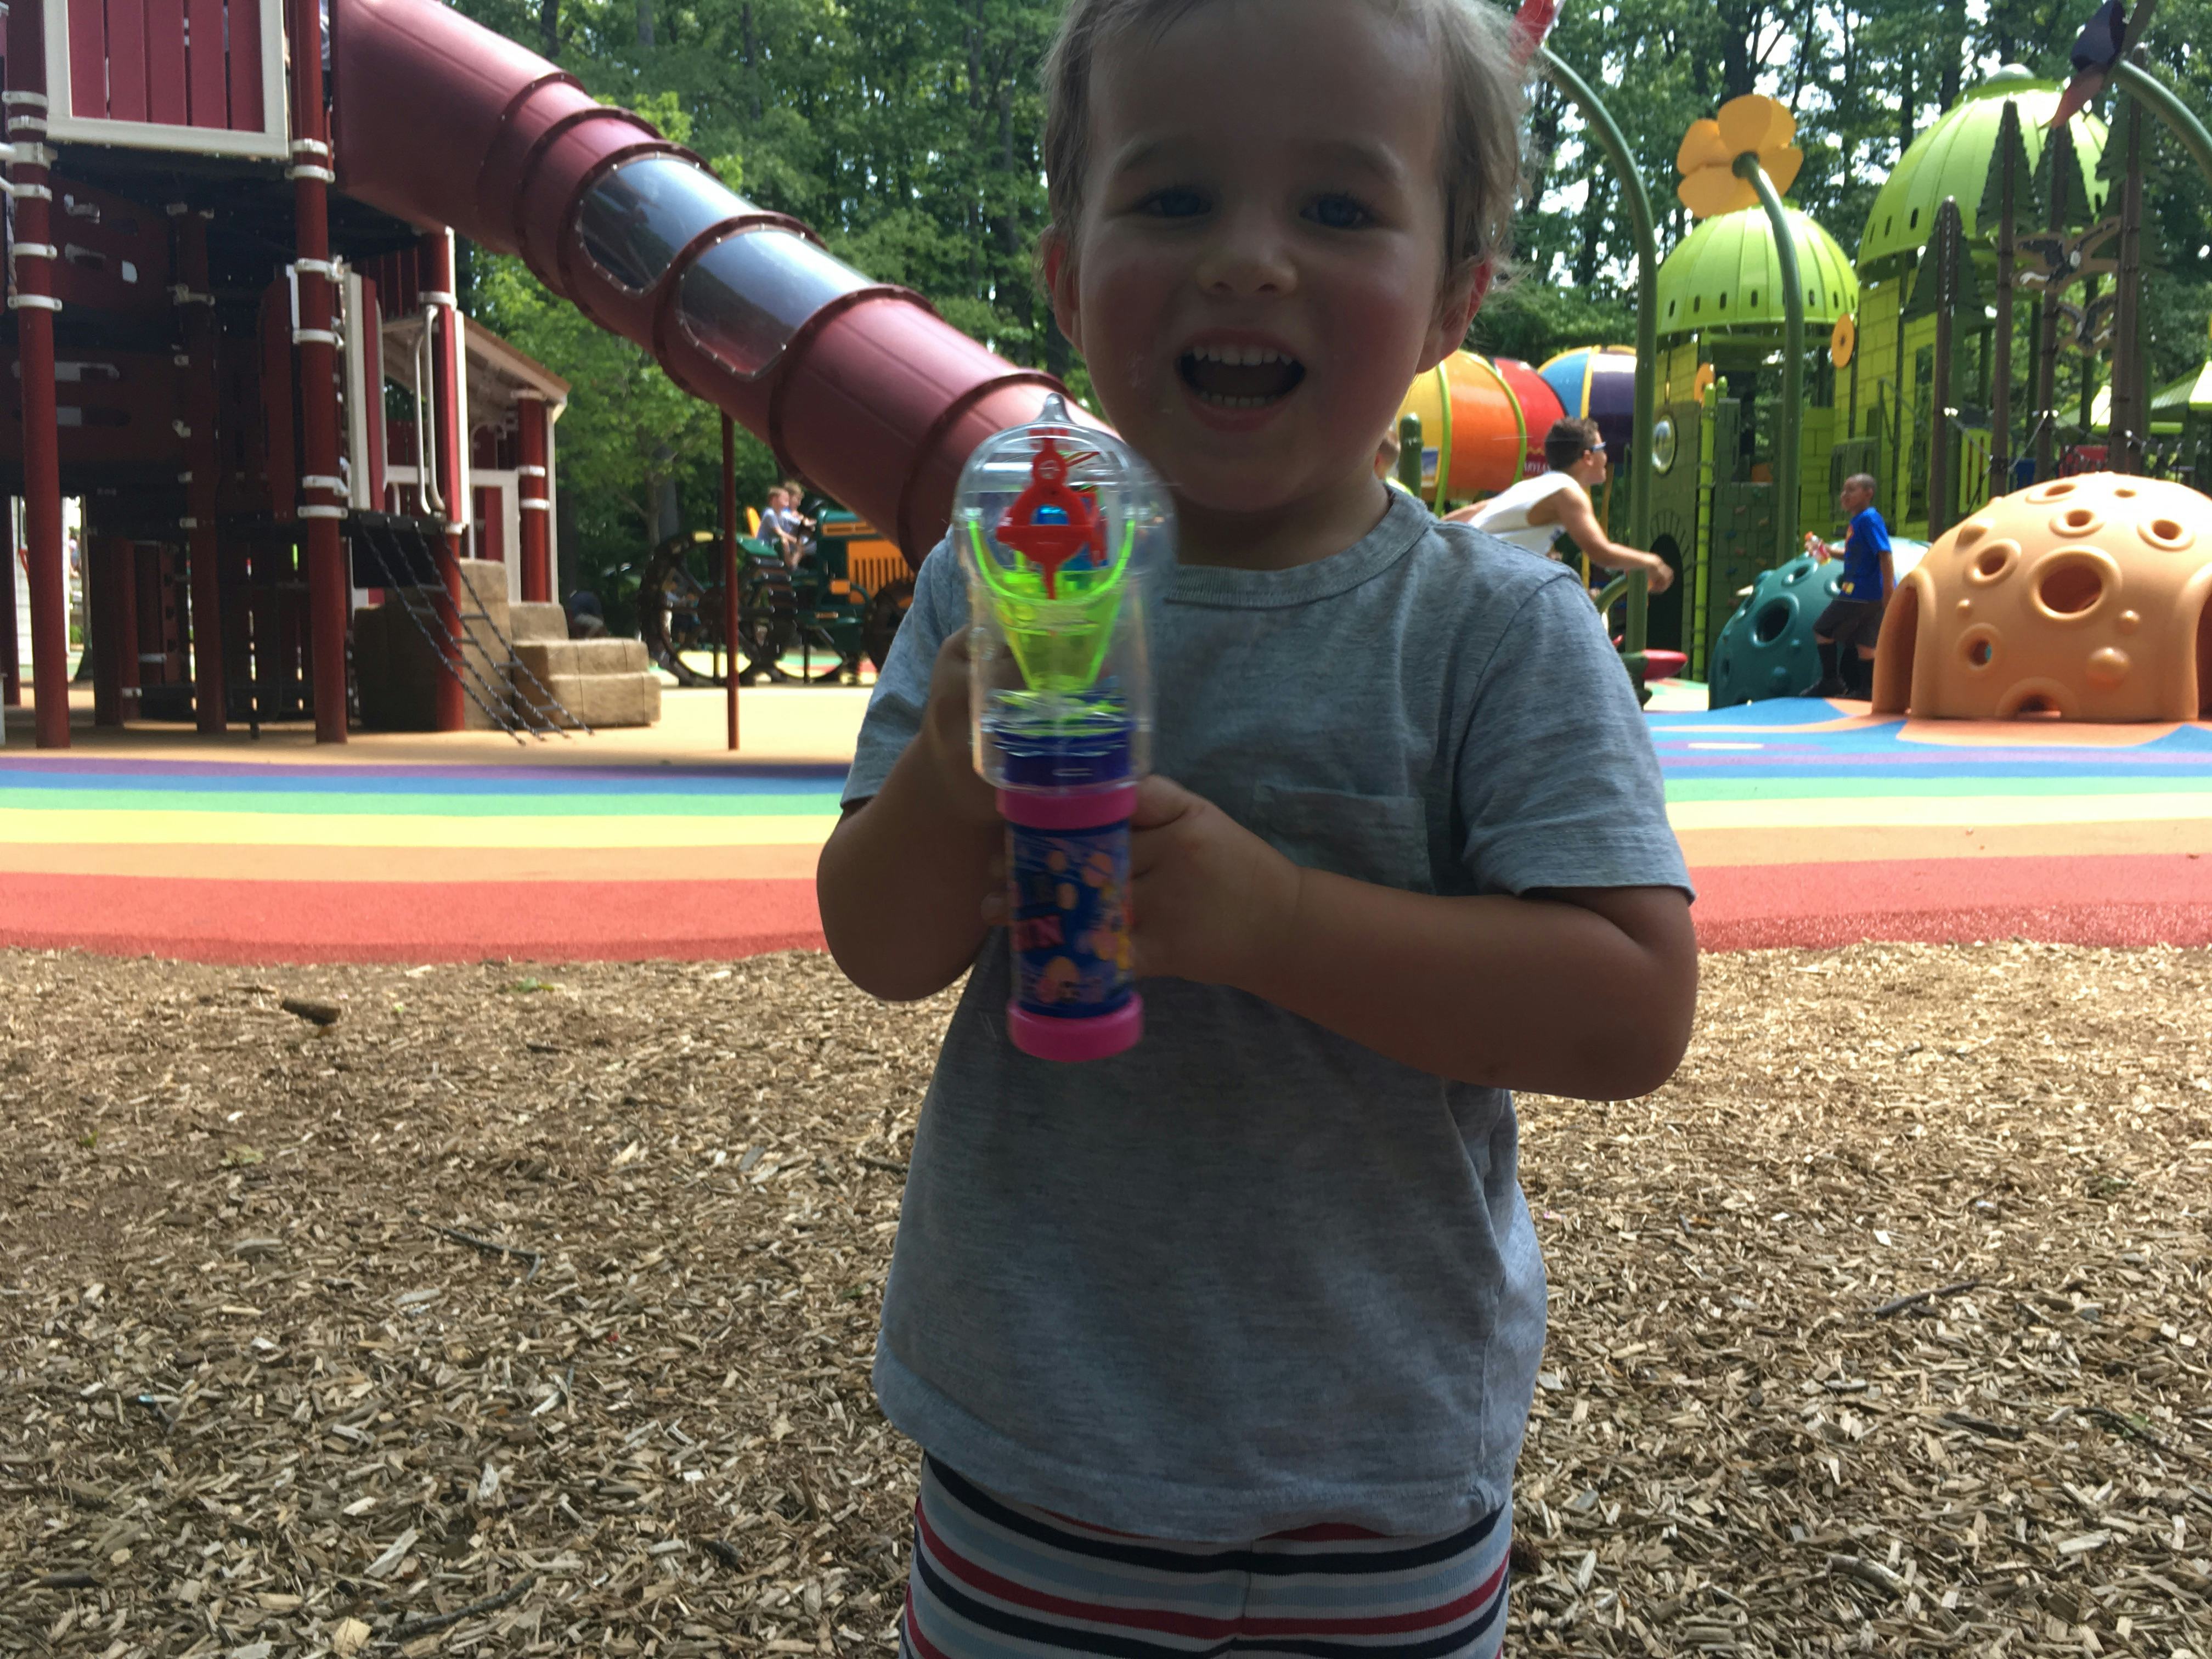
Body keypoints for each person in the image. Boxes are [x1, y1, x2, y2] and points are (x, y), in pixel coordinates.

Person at [815, 4, 1697, 1656]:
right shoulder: (1005, 575)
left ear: (1454, 292)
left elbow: (1629, 1007)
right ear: (1069, 275)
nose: (1247, 261)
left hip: (1370, 1477)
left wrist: (1278, 922)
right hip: (1035, 1454)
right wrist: (949, 769)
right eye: (1172, 200)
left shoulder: (1494, 632)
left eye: (1340, 209)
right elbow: (879, 942)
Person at [1452, 416, 1673, 593]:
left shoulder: (1532, 486)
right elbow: (1601, 553)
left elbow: (1472, 512)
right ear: (1588, 457)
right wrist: (1651, 561)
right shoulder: (1568, 493)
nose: (1606, 456)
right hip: (1473, 582)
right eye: (1602, 448)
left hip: (1461, 572)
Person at [1806, 471, 1891, 697]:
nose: (1845, 495)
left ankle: (1831, 681)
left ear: (1868, 493)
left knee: (1822, 628)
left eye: (1851, 490)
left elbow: (1885, 553)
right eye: (1844, 490)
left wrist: (1889, 592)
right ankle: (1868, 690)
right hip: (1869, 594)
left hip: (1859, 592)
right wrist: (1825, 551)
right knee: (1866, 641)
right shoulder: (1859, 521)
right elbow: (1854, 555)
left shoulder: (1869, 519)